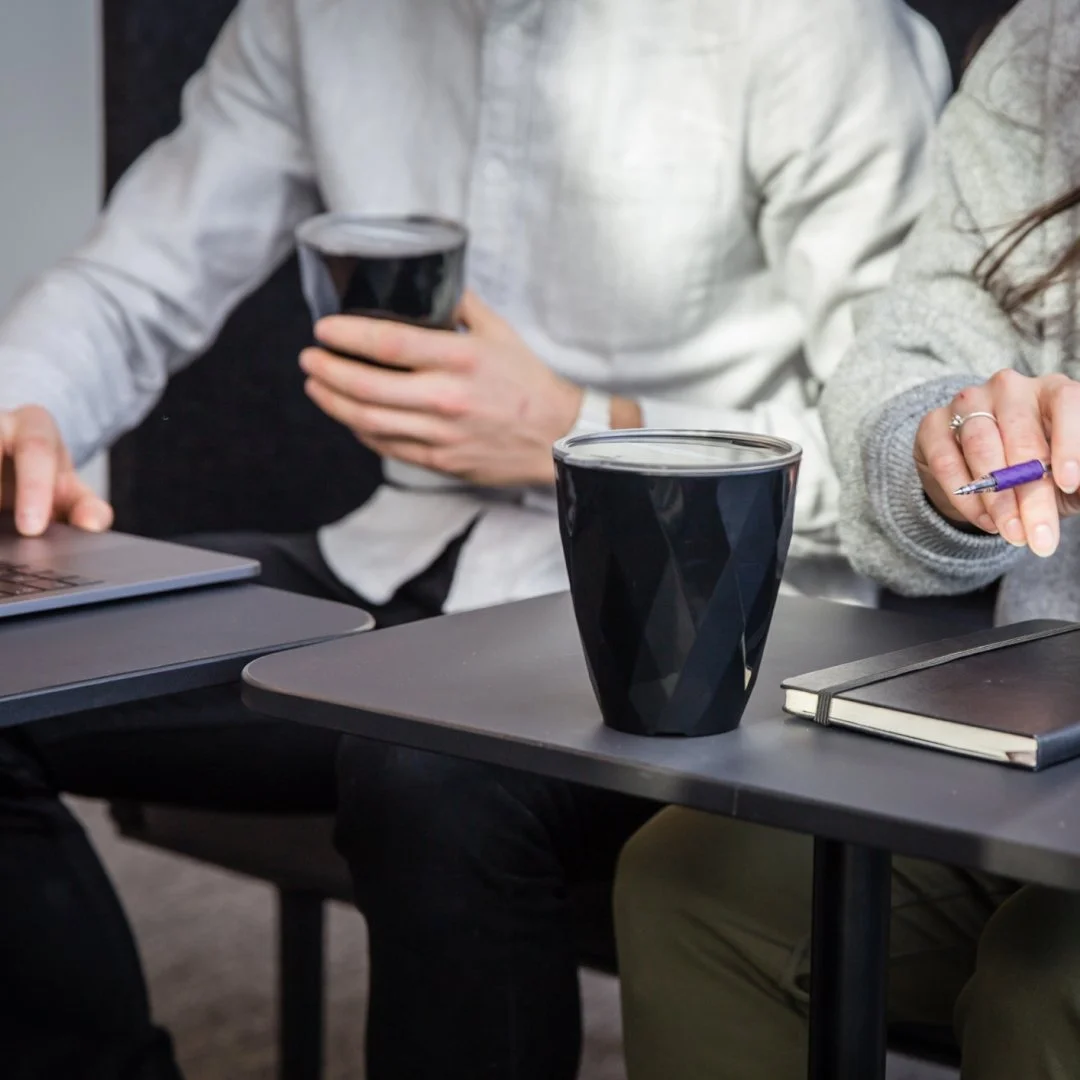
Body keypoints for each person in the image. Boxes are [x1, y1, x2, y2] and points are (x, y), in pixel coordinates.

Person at [0, 1, 949, 1077]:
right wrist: (23, 408)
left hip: (707, 632)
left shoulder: (812, 32)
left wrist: (583, 429)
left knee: (432, 771)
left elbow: (903, 453)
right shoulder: (319, 17)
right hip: (406, 560)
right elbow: (135, 278)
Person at [614, 2, 1080, 1078]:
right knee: (691, 888)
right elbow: (909, 350)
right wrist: (946, 447)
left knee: (1043, 985)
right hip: (1044, 732)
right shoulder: (1052, 42)